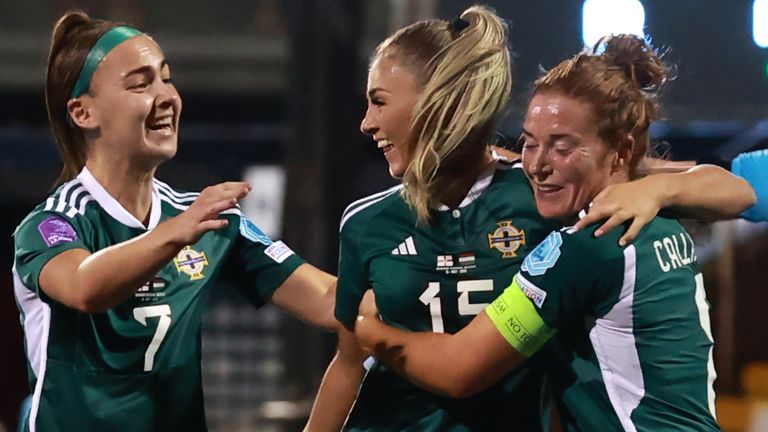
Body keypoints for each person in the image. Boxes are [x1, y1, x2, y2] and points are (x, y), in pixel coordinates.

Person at [305, 7, 754, 432]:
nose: (537, 164)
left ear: (622, 150)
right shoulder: (650, 217)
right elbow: (735, 186)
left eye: (560, 145)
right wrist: (662, 187)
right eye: (530, 143)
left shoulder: (584, 239)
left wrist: (367, 328)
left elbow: (460, 369)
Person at [12, 11, 336, 432]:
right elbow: (84, 287)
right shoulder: (53, 224)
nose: (167, 96)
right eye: (141, 83)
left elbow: (329, 298)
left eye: (166, 78)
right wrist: (176, 233)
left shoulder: (206, 220)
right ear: (82, 112)